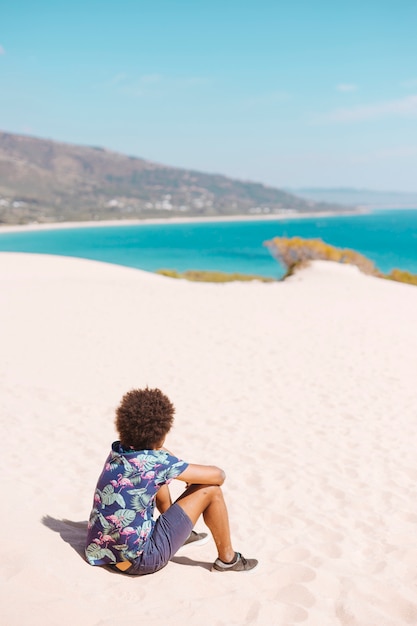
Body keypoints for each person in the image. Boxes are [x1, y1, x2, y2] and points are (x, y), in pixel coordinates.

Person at [85, 387, 258, 575]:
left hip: (103, 552)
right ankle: (228, 560)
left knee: (156, 480)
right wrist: (190, 479)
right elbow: (219, 475)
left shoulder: (118, 452)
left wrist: (172, 465)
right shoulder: (157, 463)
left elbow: (159, 480)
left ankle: (182, 535)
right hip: (140, 561)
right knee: (211, 490)